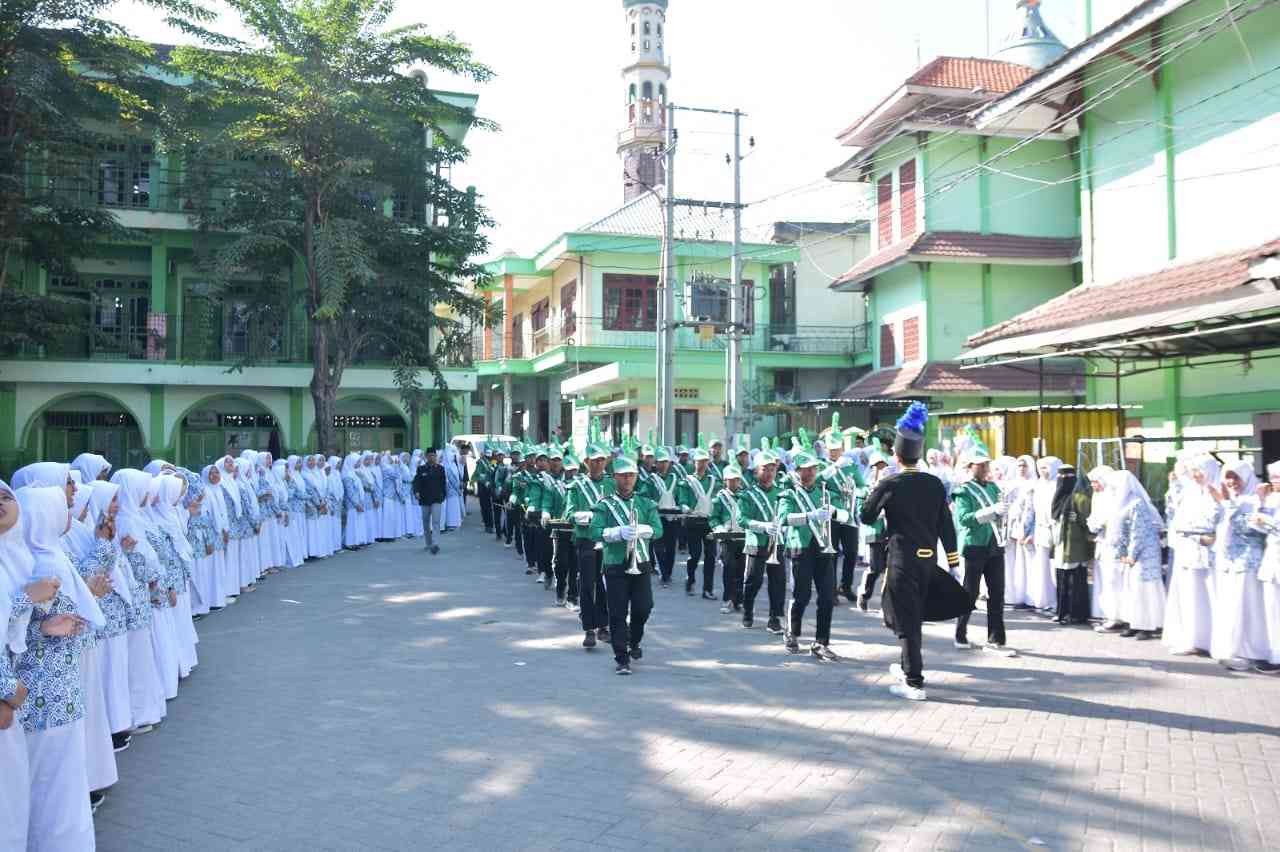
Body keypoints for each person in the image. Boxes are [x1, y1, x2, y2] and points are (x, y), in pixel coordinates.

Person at [859, 403, 965, 701]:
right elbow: (947, 526)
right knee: (910, 616)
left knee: (906, 620)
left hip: (902, 560)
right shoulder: (933, 484)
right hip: (928, 560)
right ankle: (909, 666)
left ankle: (914, 680)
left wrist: (876, 492)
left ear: (896, 455)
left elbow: (865, 517)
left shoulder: (890, 482)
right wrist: (954, 562)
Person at [588, 457, 663, 675]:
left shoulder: (646, 503)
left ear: (636, 477)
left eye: (631, 475)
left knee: (644, 607)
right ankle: (621, 657)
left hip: (640, 562)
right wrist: (616, 533)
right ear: (615, 477)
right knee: (618, 612)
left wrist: (643, 530)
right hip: (614, 563)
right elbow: (594, 531)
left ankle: (634, 639)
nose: (627, 479)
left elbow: (658, 530)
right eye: (623, 475)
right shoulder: (605, 504)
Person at [777, 451, 846, 659]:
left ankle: (821, 642)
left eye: (813, 468)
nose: (811, 472)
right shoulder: (790, 494)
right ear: (797, 471)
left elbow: (846, 516)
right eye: (806, 469)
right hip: (801, 547)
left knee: (826, 597)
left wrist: (833, 512)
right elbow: (784, 518)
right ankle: (792, 633)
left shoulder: (824, 492)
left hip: (824, 548)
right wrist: (810, 516)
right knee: (801, 595)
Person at [952, 445, 1017, 657]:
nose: (984, 467)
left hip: (994, 545)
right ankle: (960, 633)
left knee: (997, 593)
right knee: (969, 593)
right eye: (979, 464)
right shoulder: (963, 490)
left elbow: (999, 512)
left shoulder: (993, 488)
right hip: (974, 545)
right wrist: (990, 512)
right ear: (970, 467)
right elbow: (964, 519)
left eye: (986, 464)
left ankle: (996, 639)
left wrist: (1003, 513)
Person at [1209, 460, 1267, 670]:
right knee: (1232, 606)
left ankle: (1253, 653)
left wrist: (1227, 504)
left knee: (1247, 607)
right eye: (1228, 477)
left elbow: (1249, 528)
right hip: (1230, 561)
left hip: (1249, 561)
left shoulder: (1255, 500)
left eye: (1236, 477)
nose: (1231, 482)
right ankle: (1235, 650)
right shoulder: (1232, 499)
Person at [1165, 455, 1222, 654]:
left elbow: (1212, 524)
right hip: (1187, 551)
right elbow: (1178, 522)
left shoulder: (1217, 494)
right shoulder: (1190, 493)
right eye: (1194, 471)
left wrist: (1193, 531)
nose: (1196, 475)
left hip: (1208, 556)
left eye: (1200, 471)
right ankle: (1192, 639)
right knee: (1189, 596)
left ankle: (1212, 641)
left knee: (1208, 596)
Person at [1107, 469, 1165, 640]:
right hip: (1131, 554)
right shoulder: (1121, 503)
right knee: (1131, 589)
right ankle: (1134, 623)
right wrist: (1123, 553)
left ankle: (1147, 627)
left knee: (1143, 589)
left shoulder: (1137, 503)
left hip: (1144, 553)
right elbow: (1119, 532)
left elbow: (1137, 532)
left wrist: (1131, 554)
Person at [568, 443, 613, 649]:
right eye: (594, 460)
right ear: (586, 462)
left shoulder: (612, 484)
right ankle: (589, 629)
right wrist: (581, 516)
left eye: (601, 459)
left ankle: (604, 625)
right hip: (586, 539)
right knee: (587, 584)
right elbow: (569, 513)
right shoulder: (577, 486)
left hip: (608, 540)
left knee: (606, 584)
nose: (598, 463)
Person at [738, 450, 786, 633]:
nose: (769, 473)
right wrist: (763, 526)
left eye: (773, 469)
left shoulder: (782, 493)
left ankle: (774, 618)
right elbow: (742, 519)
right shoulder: (748, 494)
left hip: (777, 542)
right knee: (753, 580)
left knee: (778, 581)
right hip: (756, 541)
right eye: (765, 469)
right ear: (756, 471)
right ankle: (748, 610)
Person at [1051, 465, 1094, 625]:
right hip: (1061, 545)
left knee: (1075, 582)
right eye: (1060, 477)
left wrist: (1078, 520)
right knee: (1061, 580)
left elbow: (1088, 522)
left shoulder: (1080, 497)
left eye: (1066, 477)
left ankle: (1076, 614)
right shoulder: (1058, 497)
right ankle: (1062, 612)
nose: (1062, 481)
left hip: (1074, 547)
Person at [676, 448, 719, 599]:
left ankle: (708, 589)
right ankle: (690, 580)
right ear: (694, 462)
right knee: (694, 555)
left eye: (705, 461)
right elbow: (682, 499)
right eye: (699, 460)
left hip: (709, 522)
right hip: (693, 521)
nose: (702, 463)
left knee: (711, 556)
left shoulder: (713, 480)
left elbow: (718, 499)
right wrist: (685, 507)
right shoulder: (687, 481)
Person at [1252, 461, 1280, 673]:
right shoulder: (1271, 498)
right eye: (1273, 477)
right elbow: (1257, 525)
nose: (1274, 481)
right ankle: (1275, 655)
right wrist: (1260, 503)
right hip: (1272, 562)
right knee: (1272, 611)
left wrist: (1266, 520)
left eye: (1278, 477)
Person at [709, 464, 746, 614]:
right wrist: (719, 529)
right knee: (729, 569)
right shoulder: (720, 498)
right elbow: (714, 518)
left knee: (742, 570)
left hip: (743, 538)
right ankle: (727, 599)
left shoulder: (746, 496)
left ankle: (739, 600)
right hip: (727, 539)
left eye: (736, 479)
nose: (734, 482)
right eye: (730, 480)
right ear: (725, 480)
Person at [413, 449, 447, 555]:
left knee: (436, 522)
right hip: (424, 500)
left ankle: (435, 544)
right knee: (426, 522)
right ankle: (428, 543)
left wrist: (443, 495)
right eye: (430, 455)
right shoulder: (421, 469)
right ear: (426, 457)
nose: (432, 457)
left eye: (434, 456)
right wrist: (416, 492)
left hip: (436, 499)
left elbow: (443, 484)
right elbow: (416, 482)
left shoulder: (440, 469)